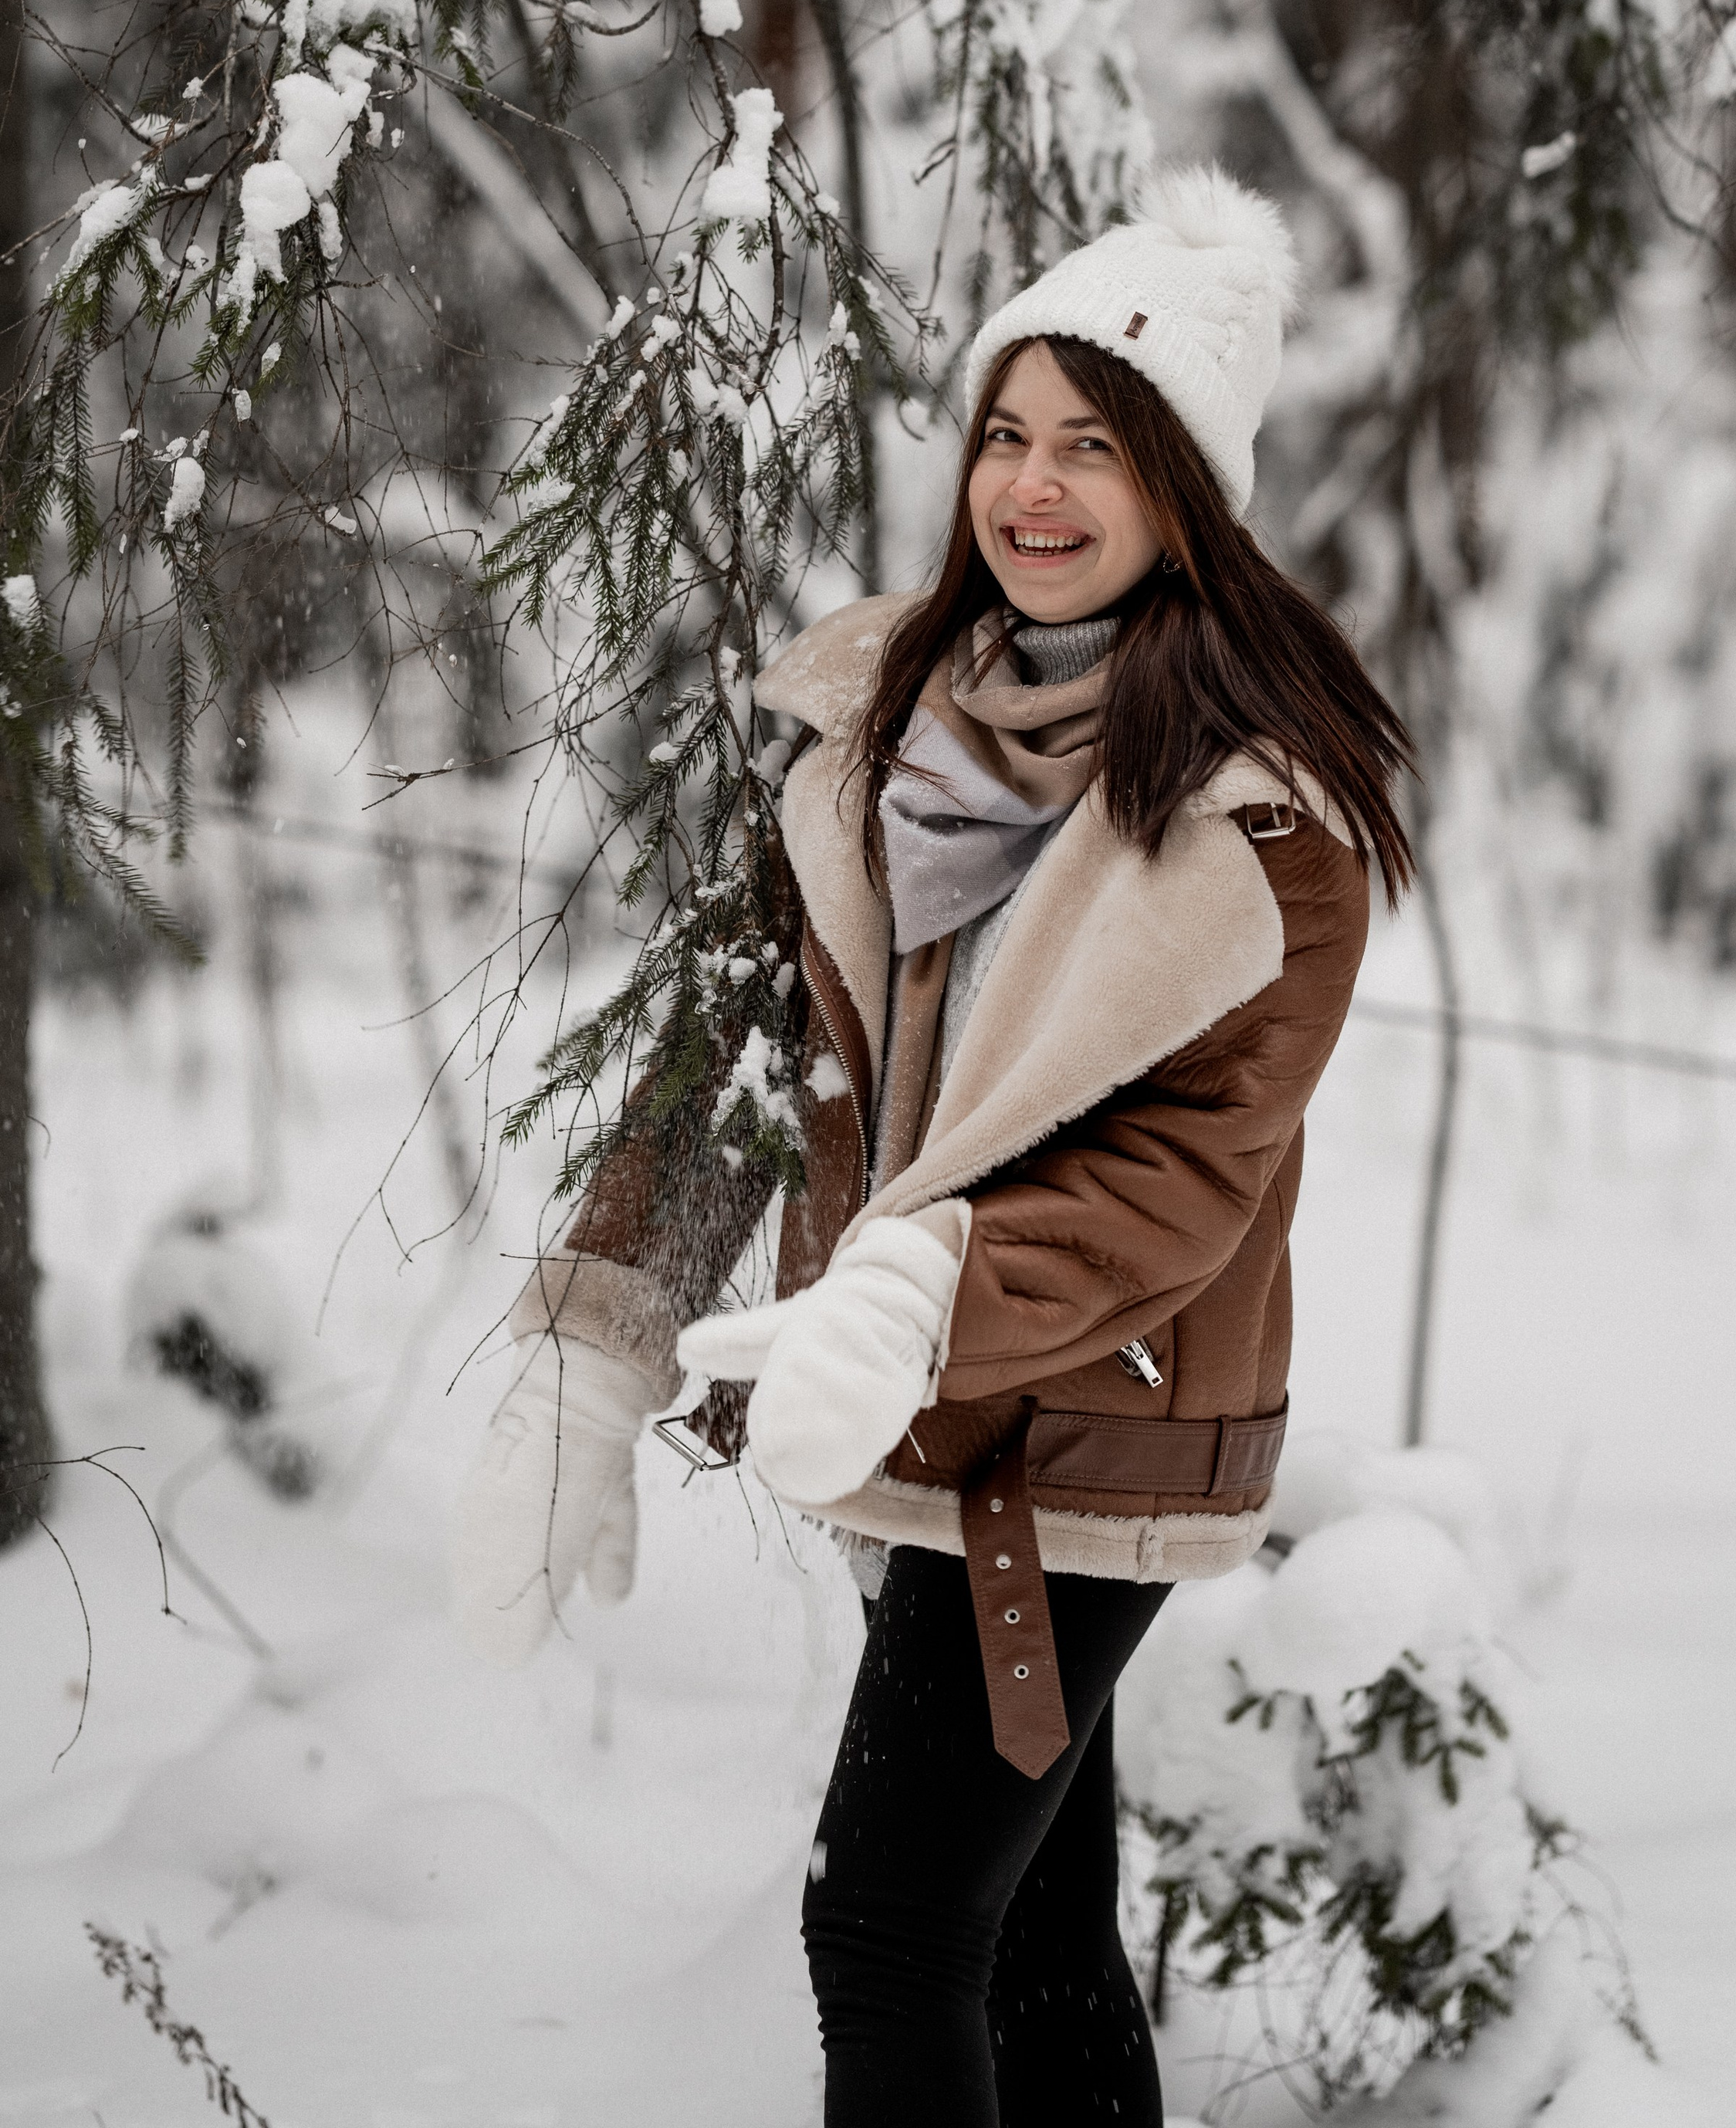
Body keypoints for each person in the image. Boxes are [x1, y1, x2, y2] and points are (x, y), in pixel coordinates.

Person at [449, 165, 1414, 2126]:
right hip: (944, 1419)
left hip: (1102, 1421)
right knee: (1030, 1948)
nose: (1031, 488)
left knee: (881, 1932)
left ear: (1185, 495)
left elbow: (1173, 1182)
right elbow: (735, 1057)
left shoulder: (1265, 819)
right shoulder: (879, 732)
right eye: (1004, 433)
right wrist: (598, 1333)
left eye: (1091, 447)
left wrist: (906, 1298)